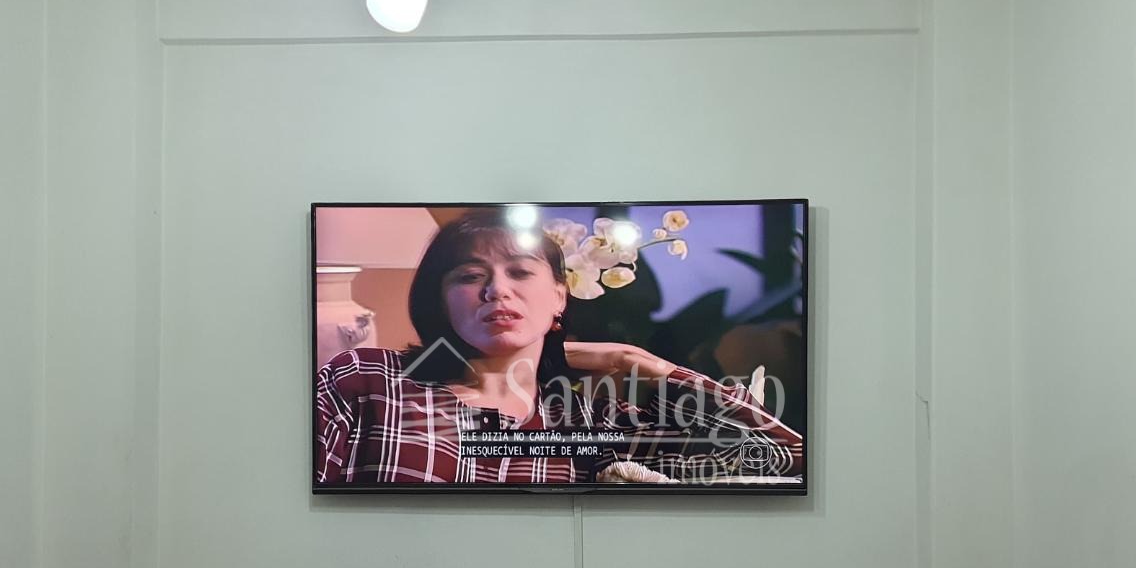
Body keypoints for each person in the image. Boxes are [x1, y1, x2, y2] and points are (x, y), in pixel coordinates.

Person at [314, 212, 803, 486]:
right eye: (469, 276)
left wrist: (631, 360)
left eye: (520, 272)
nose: (496, 291)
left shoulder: (589, 423)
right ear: (440, 300)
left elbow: (784, 457)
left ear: (558, 296)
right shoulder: (368, 379)